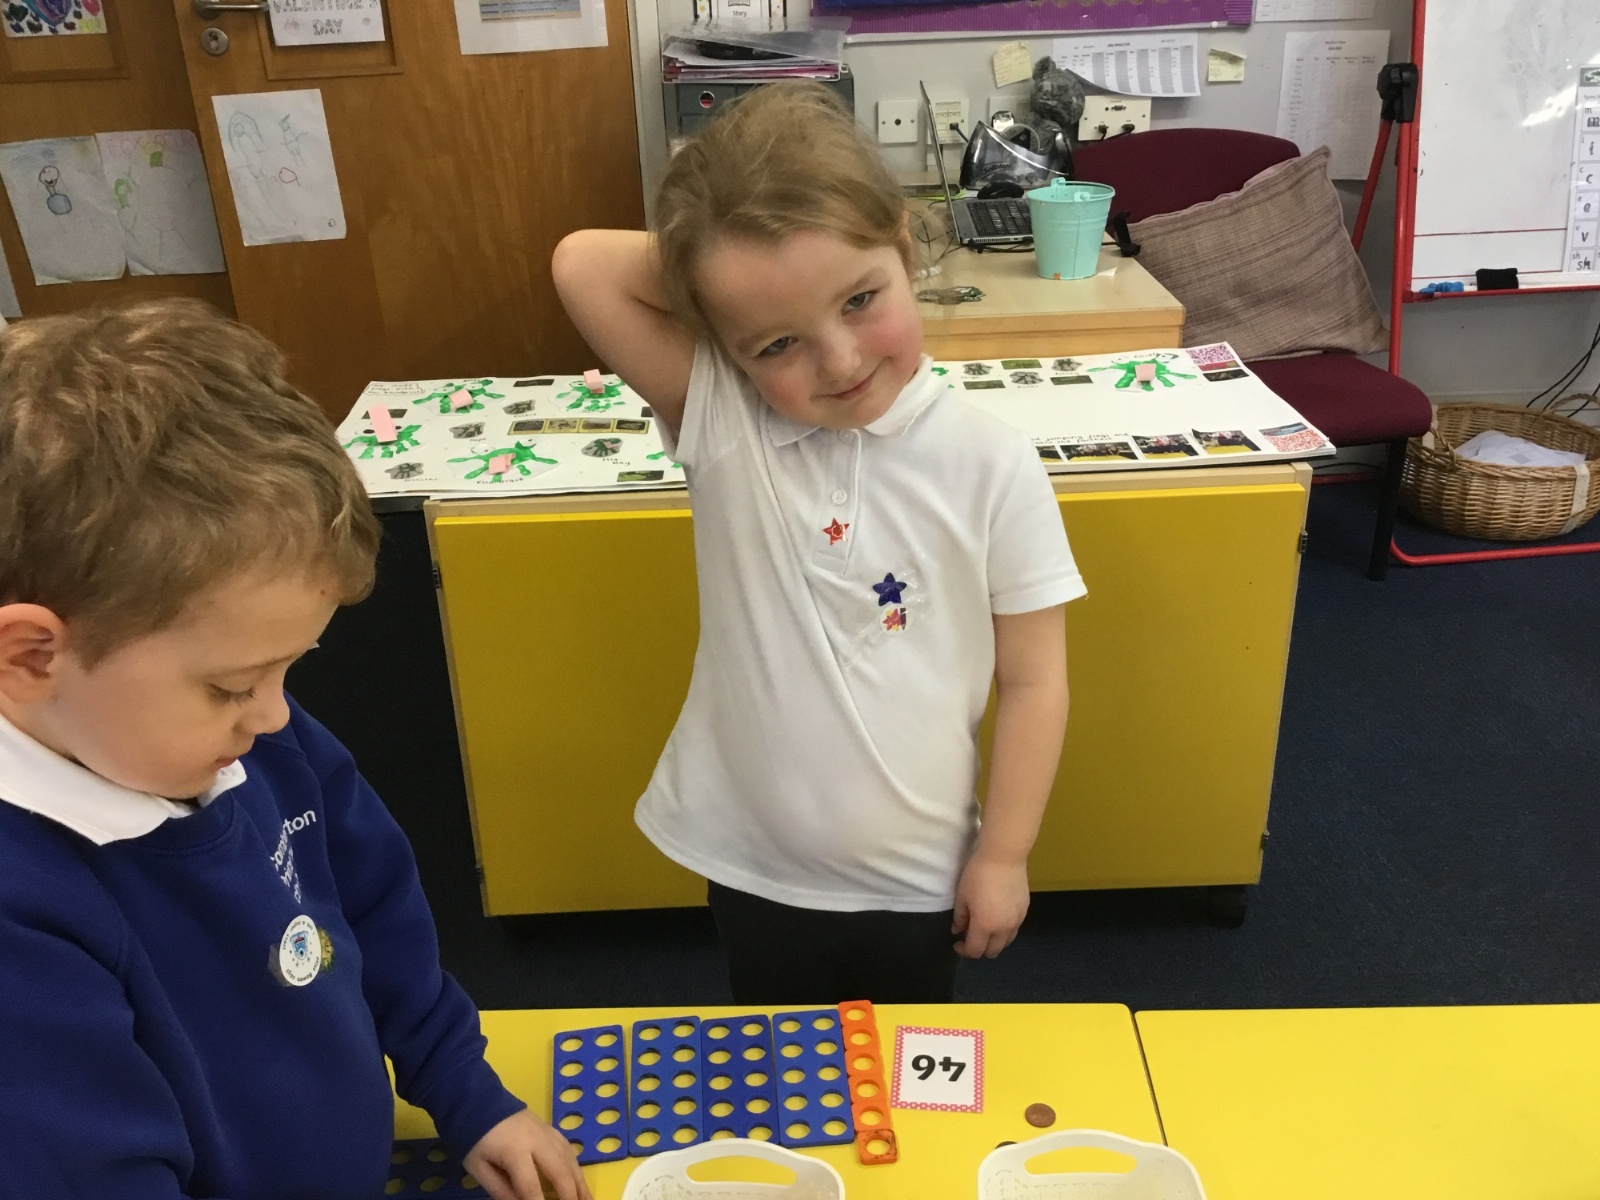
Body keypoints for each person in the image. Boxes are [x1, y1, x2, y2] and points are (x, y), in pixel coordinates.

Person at [0, 300, 588, 1200]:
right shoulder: (24, 914)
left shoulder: (244, 739)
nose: (276, 719)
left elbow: (375, 906)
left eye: (289, 669)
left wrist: (464, 1088)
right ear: (32, 657)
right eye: (233, 685)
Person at [553, 82, 1086, 1004]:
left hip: (918, 878)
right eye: (777, 344)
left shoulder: (991, 464)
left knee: (903, 1077)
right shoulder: (728, 421)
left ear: (905, 249)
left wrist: (1005, 855)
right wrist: (716, 249)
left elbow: (1036, 681)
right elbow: (580, 265)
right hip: (755, 868)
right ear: (727, 347)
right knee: (777, 1067)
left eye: (860, 299)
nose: (838, 361)